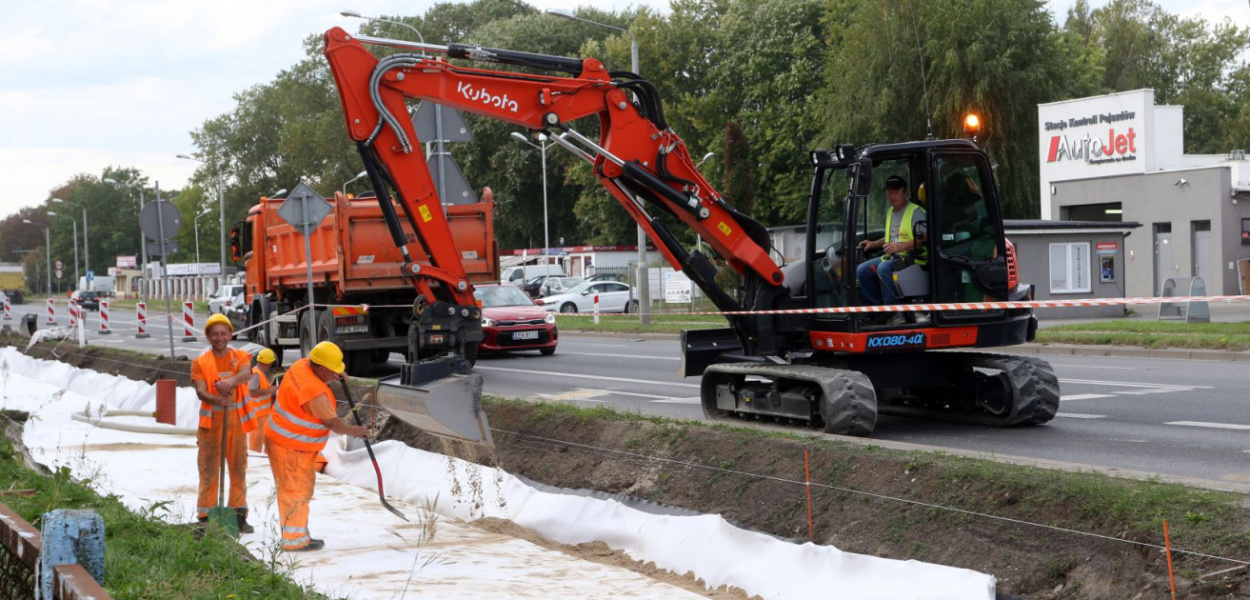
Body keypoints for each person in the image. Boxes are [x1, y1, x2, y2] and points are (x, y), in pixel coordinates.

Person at [265, 341, 368, 551]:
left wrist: (337, 373)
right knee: (295, 492)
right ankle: (294, 541)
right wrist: (356, 431)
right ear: (321, 368)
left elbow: (322, 374)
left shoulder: (302, 365)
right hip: (290, 446)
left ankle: (298, 535)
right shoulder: (315, 392)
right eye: (333, 371)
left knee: (299, 489)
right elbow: (333, 423)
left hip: (287, 440)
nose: (336, 375)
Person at [192, 313, 259, 534]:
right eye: (215, 334)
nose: (220, 338)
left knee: (238, 469)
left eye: (223, 333)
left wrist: (229, 381)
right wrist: (216, 398)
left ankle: (238, 514)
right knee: (209, 470)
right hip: (211, 426)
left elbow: (245, 373)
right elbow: (201, 391)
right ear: (209, 336)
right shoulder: (200, 362)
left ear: (230, 334)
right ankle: (205, 516)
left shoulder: (240, 356)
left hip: (237, 425)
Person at [856, 174, 927, 325]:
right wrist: (873, 244)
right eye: (889, 192)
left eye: (895, 192)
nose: (891, 196)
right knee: (862, 270)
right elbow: (890, 238)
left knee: (883, 269)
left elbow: (924, 238)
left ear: (904, 193)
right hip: (894, 256)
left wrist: (899, 247)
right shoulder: (890, 211)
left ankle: (895, 312)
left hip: (913, 257)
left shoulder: (915, 211)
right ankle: (876, 311)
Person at [245, 348, 279, 454]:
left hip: (262, 416)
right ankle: (255, 465)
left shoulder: (259, 374)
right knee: (255, 447)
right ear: (268, 364)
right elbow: (251, 392)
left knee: (264, 443)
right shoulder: (256, 374)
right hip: (257, 417)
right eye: (270, 365)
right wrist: (270, 390)